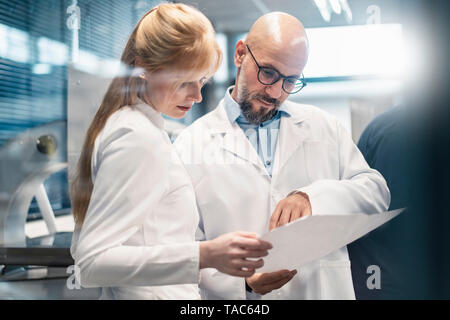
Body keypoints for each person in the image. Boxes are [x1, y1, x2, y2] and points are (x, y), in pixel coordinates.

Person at [174, 12, 390, 300]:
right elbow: (182, 251)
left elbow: (377, 193)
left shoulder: (323, 127)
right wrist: (244, 283)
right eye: (268, 73)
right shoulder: (190, 144)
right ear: (240, 54)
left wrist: (313, 197)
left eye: (290, 80)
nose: (276, 91)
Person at [69, 3, 272, 300]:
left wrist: (231, 272)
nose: (197, 95)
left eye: (202, 80)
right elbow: (91, 263)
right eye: (184, 82)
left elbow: (156, 242)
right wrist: (206, 254)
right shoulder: (136, 138)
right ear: (143, 69)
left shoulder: (140, 127)